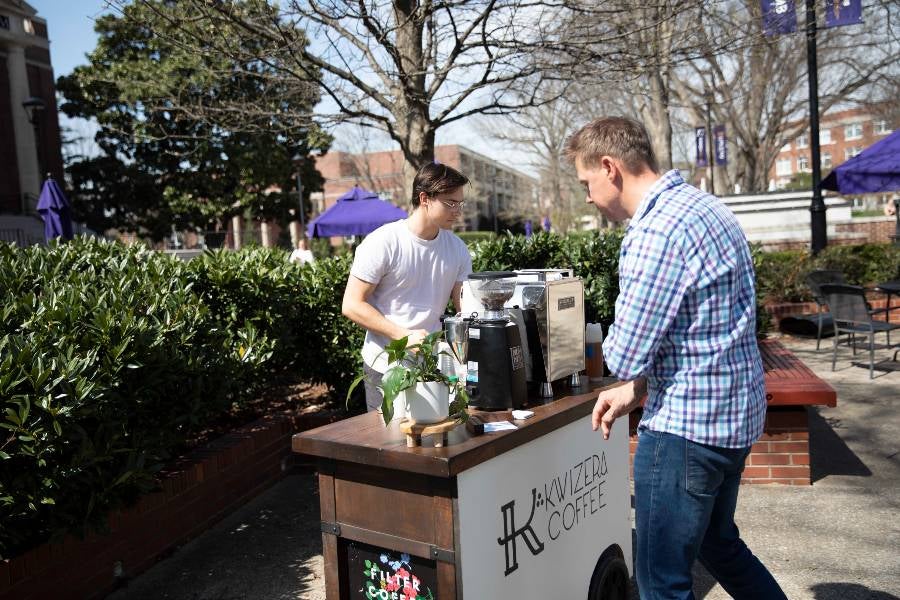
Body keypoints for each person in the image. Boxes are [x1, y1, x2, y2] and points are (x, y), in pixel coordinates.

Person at [565, 117, 786, 600]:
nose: (587, 196)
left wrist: (627, 372)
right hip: (734, 420)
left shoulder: (654, 233)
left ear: (610, 168)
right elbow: (702, 334)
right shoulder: (710, 209)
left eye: (586, 183)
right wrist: (638, 389)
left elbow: (625, 351)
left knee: (662, 583)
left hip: (686, 432)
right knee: (720, 545)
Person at [341, 163, 472, 412]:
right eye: (450, 203)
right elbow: (352, 304)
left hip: (433, 367)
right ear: (424, 198)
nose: (458, 211)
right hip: (384, 367)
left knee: (435, 441)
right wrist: (403, 335)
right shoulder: (384, 242)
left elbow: (464, 310)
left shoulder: (457, 249)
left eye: (460, 203)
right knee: (390, 444)